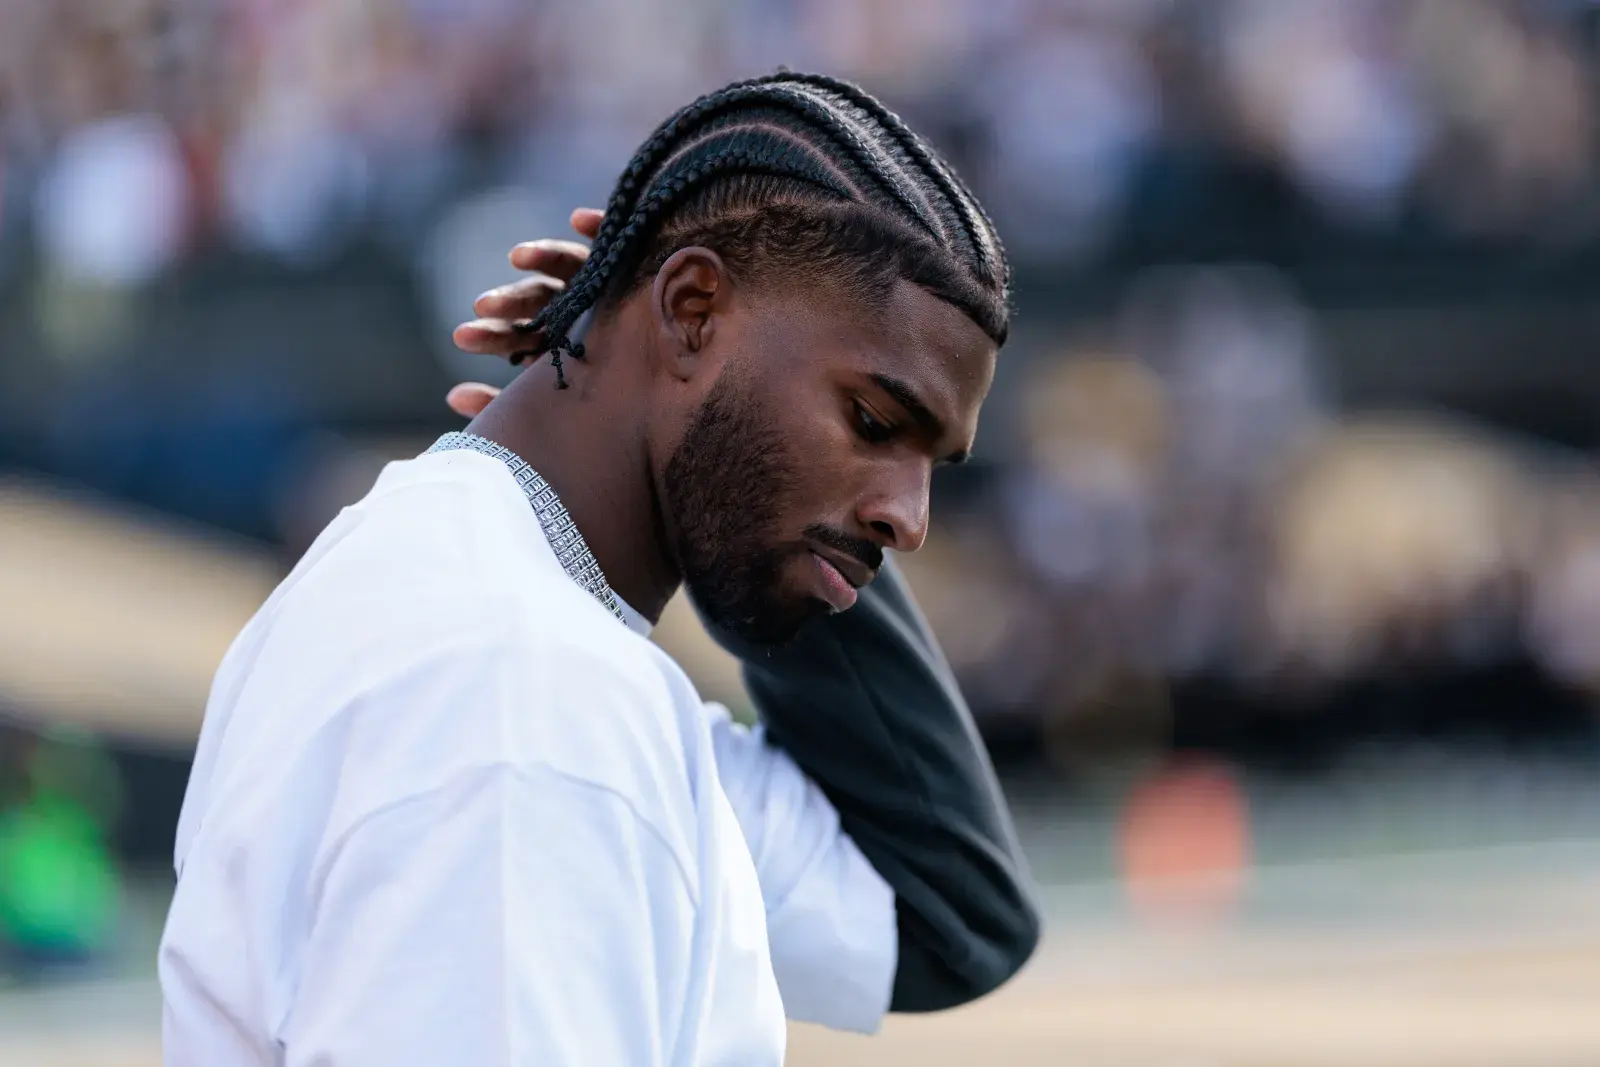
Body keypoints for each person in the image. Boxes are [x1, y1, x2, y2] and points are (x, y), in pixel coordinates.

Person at [160, 72, 1038, 1067]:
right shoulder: (521, 686)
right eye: (875, 422)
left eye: (929, 463)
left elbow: (940, 916)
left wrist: (679, 395)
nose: (910, 518)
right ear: (693, 308)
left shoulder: (474, 599)